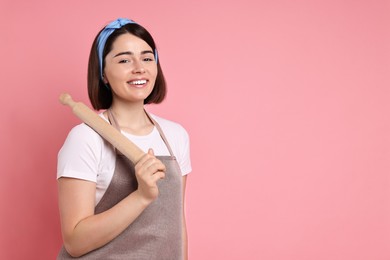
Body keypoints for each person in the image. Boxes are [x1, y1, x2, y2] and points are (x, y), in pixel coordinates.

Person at [57, 18, 192, 259]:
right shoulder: (85, 139)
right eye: (124, 60)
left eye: (147, 58)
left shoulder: (175, 136)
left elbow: (175, 226)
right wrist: (141, 197)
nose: (139, 67)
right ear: (104, 74)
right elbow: (74, 243)